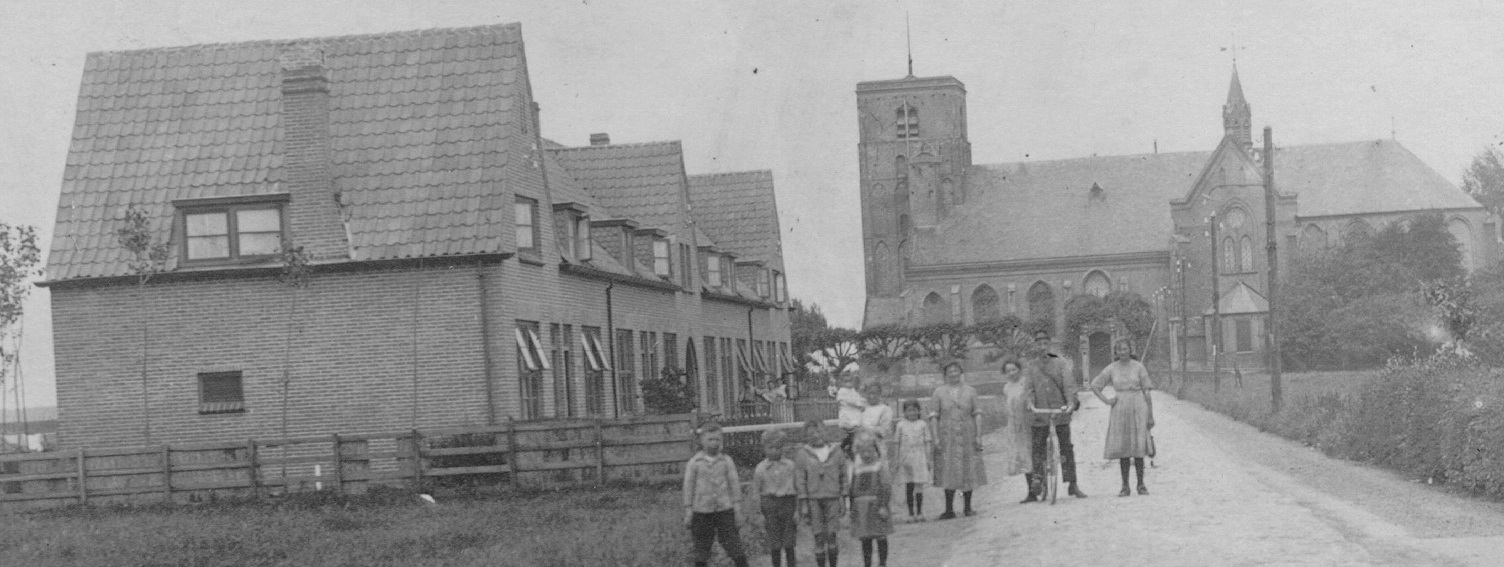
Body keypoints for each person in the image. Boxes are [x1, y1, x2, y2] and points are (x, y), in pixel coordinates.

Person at [1023, 329, 1088, 502]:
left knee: (1066, 448)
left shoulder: (1060, 364)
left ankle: (1072, 484)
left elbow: (1068, 385)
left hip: (1059, 413)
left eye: (1045, 344)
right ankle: (1037, 478)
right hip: (1040, 414)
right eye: (1039, 344)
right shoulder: (1031, 367)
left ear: (1050, 345)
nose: (1042, 347)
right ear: (1035, 346)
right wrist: (1029, 403)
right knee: (1037, 447)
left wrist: (1070, 403)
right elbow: (1028, 389)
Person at [1089, 339, 1157, 497]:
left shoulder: (1139, 367)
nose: (1123, 352)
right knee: (1124, 447)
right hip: (1120, 409)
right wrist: (1107, 401)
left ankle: (1141, 484)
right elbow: (1095, 385)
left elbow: (1147, 391)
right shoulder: (1112, 368)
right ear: (1116, 352)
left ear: (1130, 350)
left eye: (1125, 349)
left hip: (1138, 406)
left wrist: (1150, 415)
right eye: (1119, 350)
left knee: (1139, 446)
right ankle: (1125, 486)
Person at [682, 422, 751, 567]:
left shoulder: (726, 461)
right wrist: (688, 511)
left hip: (724, 510)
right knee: (701, 547)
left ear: (722, 441)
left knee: (733, 543)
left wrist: (737, 510)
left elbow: (734, 486)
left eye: (717, 439)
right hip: (701, 512)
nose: (714, 443)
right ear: (702, 441)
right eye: (710, 439)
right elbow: (688, 488)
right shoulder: (694, 463)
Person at [929, 361, 987, 519]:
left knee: (968, 468)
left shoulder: (970, 391)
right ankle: (949, 510)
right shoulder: (939, 392)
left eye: (956, 371)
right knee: (949, 470)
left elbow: (977, 413)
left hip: (967, 433)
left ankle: (968, 507)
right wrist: (935, 438)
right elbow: (934, 416)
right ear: (945, 374)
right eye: (950, 371)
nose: (953, 374)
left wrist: (978, 435)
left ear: (961, 372)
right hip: (947, 435)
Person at [796, 420, 848, 567]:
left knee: (832, 535)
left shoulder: (836, 452)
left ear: (826, 432)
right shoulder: (803, 454)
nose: (816, 435)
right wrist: (804, 503)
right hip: (814, 500)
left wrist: (843, 499)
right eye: (811, 433)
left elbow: (843, 476)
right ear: (806, 437)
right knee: (818, 536)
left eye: (819, 431)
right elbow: (801, 480)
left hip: (832, 498)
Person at [752, 429, 800, 567]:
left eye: (778, 447)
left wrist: (797, 510)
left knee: (789, 541)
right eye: (770, 448)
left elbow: (796, 488)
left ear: (783, 447)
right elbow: (756, 492)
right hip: (769, 505)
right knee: (774, 542)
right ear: (764, 448)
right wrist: (759, 513)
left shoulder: (790, 465)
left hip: (788, 504)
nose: (774, 451)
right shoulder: (760, 468)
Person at [848, 432, 893, 567]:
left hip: (876, 506)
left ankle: (882, 563)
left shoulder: (880, 467)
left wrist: (883, 505)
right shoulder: (856, 469)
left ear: (876, 451)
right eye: (862, 451)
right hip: (861, 508)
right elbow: (852, 491)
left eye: (870, 451)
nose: (866, 455)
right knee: (865, 538)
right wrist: (852, 508)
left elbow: (886, 488)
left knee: (880, 535)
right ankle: (867, 563)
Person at [997, 358, 1034, 500]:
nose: (1011, 373)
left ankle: (1038, 485)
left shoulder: (1026, 383)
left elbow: (1031, 398)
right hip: (1014, 426)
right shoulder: (1006, 388)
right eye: (1008, 371)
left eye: (1014, 369)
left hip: (1028, 423)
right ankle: (1031, 490)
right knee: (1023, 456)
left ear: (1019, 369)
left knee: (1032, 454)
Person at [892, 399, 934, 521]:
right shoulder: (900, 425)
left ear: (918, 411)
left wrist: (928, 459)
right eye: (909, 410)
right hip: (905, 458)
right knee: (909, 486)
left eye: (914, 410)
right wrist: (896, 459)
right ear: (904, 412)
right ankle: (911, 514)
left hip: (919, 457)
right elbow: (896, 443)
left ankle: (920, 512)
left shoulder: (922, 424)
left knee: (919, 485)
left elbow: (927, 442)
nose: (912, 413)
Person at [833, 373, 868, 456]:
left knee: (855, 433)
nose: (848, 383)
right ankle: (844, 447)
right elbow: (850, 401)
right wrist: (860, 405)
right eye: (846, 381)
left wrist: (862, 404)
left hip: (853, 415)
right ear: (842, 383)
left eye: (850, 381)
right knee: (854, 432)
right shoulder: (842, 391)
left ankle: (848, 448)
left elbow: (858, 398)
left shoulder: (853, 391)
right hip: (847, 416)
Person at [858, 382, 894, 457]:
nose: (871, 396)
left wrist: (864, 427)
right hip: (861, 447)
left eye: (875, 393)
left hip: (877, 447)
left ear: (880, 394)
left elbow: (883, 431)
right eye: (869, 393)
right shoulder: (862, 408)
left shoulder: (885, 409)